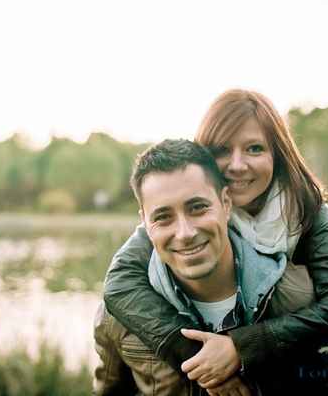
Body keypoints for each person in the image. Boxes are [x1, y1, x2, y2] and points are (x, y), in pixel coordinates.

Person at [102, 89, 328, 394]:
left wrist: (239, 347)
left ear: (276, 154)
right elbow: (119, 283)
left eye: (254, 149)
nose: (237, 165)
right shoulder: (184, 216)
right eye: (222, 150)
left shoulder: (305, 209)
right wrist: (201, 360)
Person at [94, 138, 287, 395]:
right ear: (145, 223)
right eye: (163, 217)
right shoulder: (115, 317)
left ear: (226, 203)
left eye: (197, 208)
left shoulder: (294, 296)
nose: (184, 233)